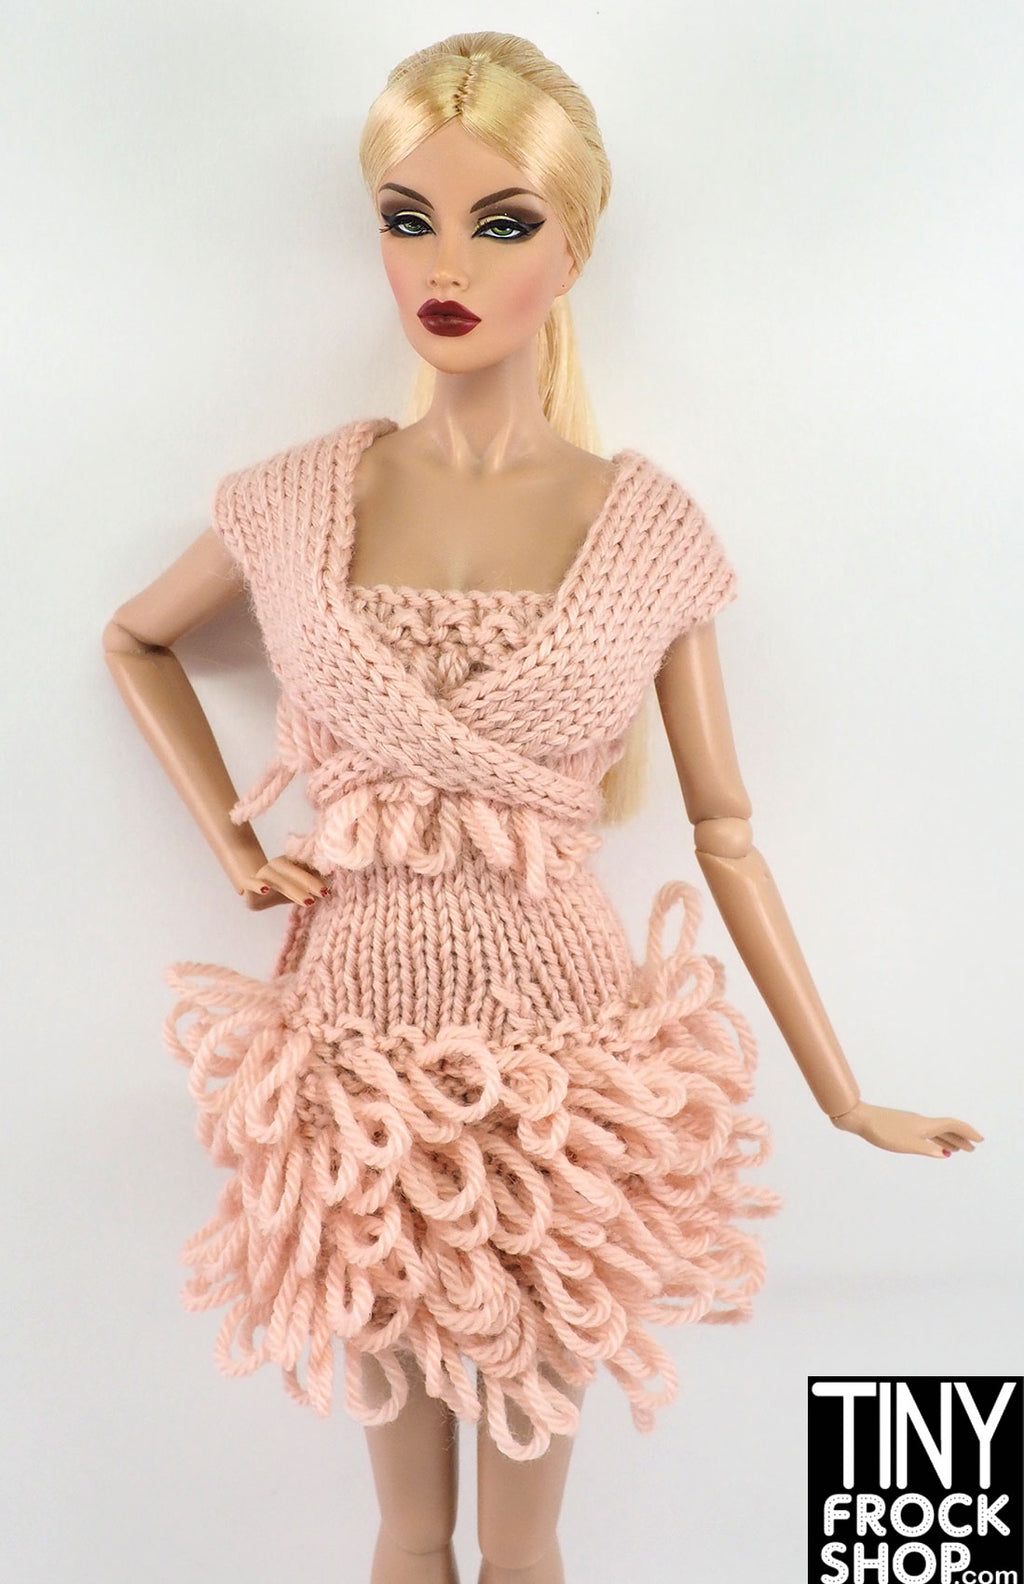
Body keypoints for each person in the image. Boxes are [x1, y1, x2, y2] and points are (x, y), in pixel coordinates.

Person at [102, 31, 982, 1584]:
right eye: (408, 219)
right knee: (402, 1527)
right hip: (356, 1057)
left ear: (572, 250)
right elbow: (134, 638)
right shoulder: (298, 499)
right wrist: (234, 844)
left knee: (525, 1532)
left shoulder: (640, 529)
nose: (446, 267)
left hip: (564, 1073)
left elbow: (724, 831)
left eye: (500, 224)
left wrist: (845, 1096)